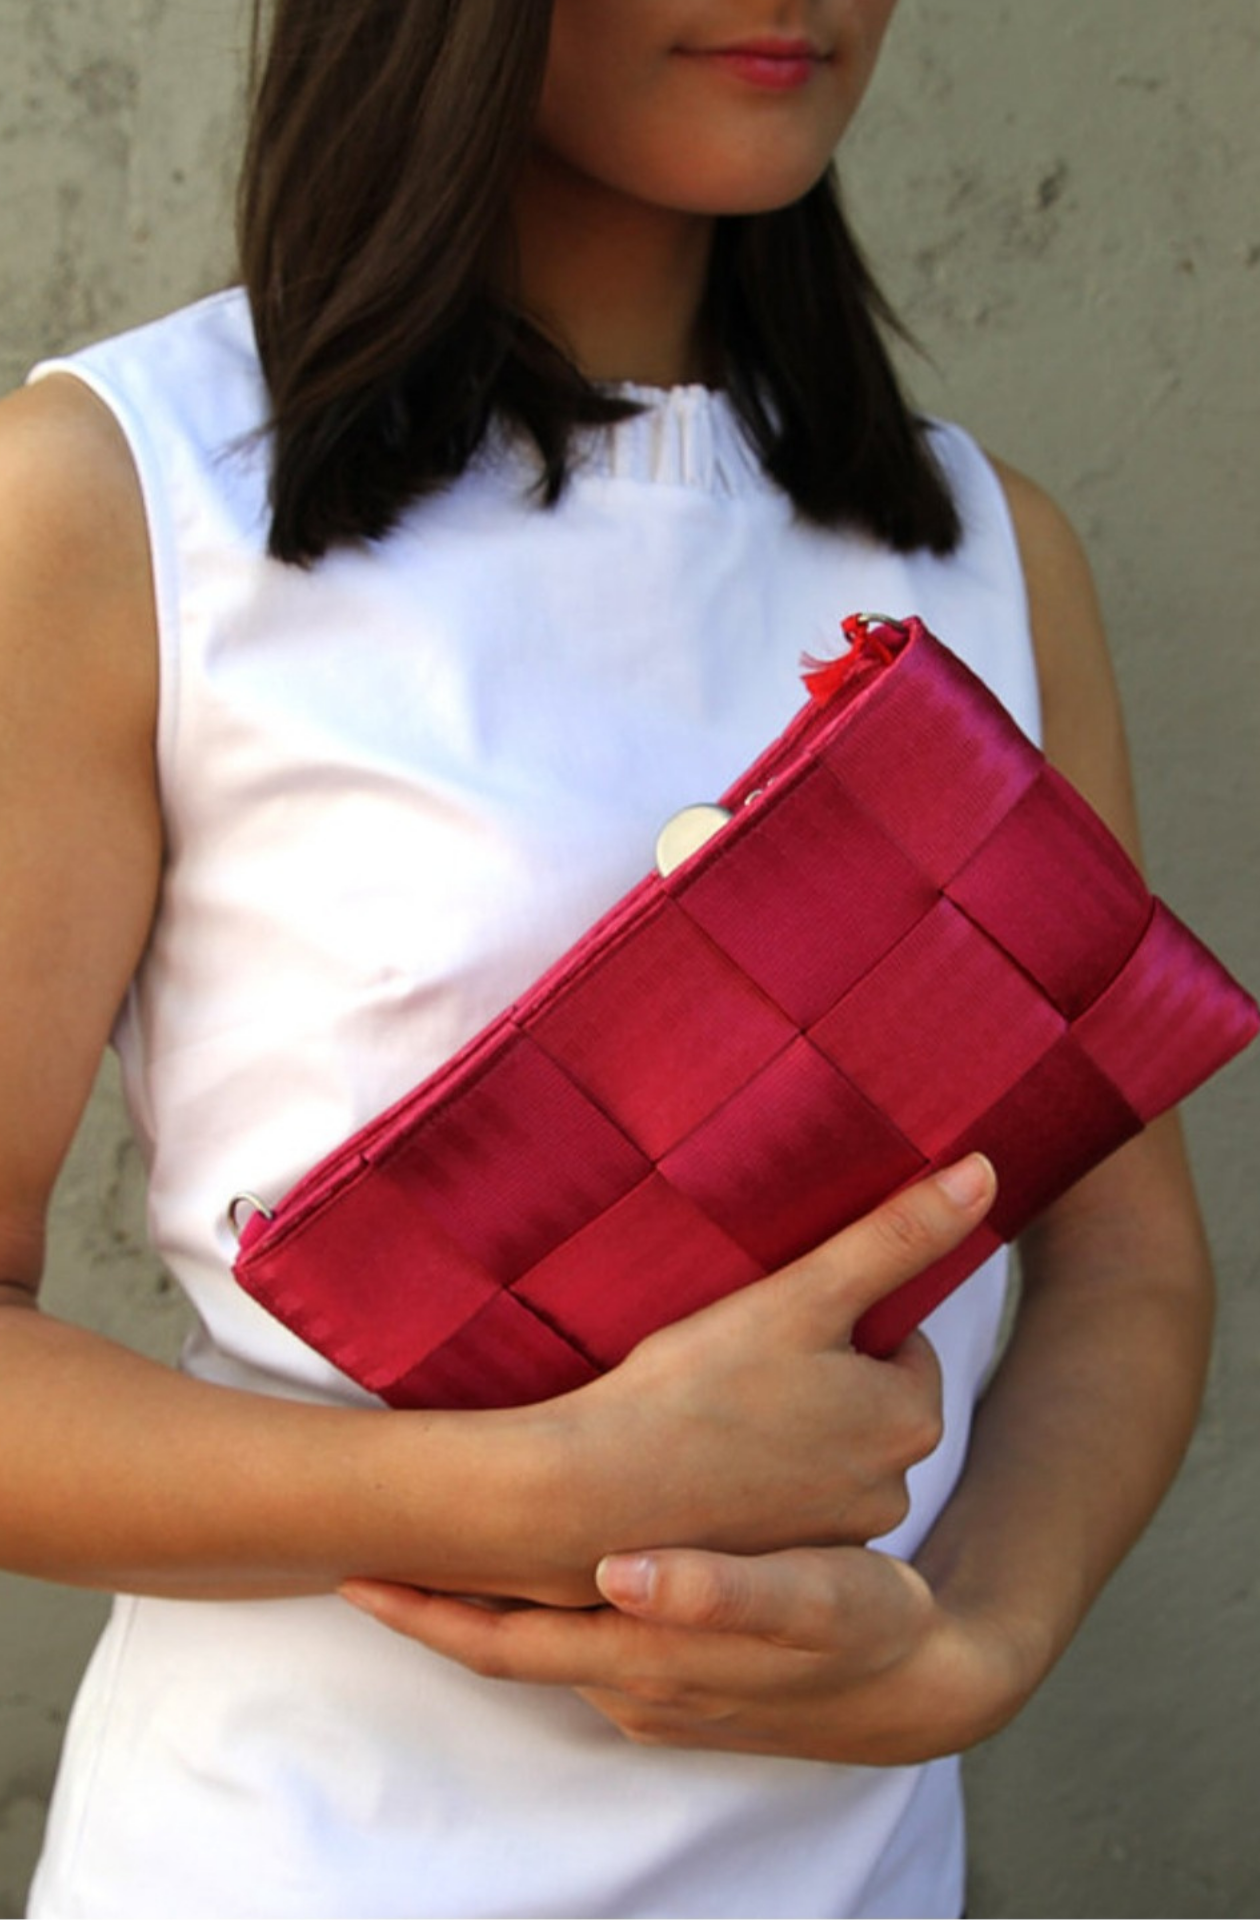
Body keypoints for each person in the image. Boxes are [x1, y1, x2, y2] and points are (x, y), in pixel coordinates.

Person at [0, 2, 1214, 1915]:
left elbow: (1124, 1259)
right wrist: (525, 1496)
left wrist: (978, 1637)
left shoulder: (989, 550)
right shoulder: (123, 497)